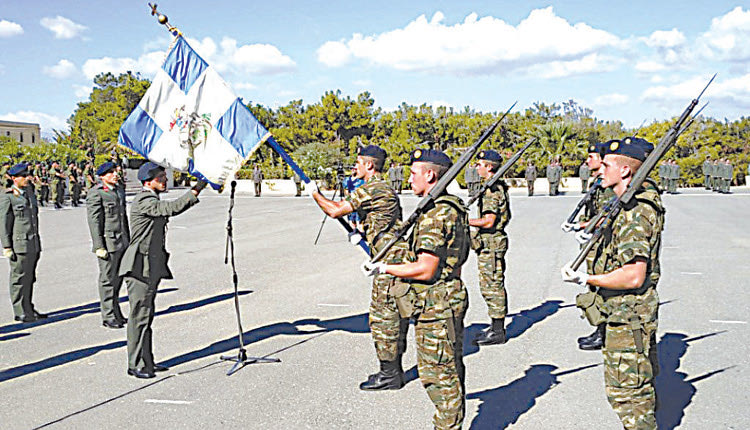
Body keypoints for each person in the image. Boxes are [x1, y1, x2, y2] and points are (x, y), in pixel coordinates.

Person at [363, 148, 470, 430]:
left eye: (413, 173)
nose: (408, 179)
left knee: (439, 376)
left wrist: (384, 268)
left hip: (437, 305)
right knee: (449, 369)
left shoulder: (437, 214)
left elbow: (426, 268)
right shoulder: (448, 207)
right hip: (445, 298)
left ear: (430, 175)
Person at [562, 137, 663, 430]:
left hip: (629, 313)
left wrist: (585, 278)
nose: (599, 170)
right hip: (622, 311)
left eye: (606, 165)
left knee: (629, 396)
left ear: (625, 171)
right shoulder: (622, 203)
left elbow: (634, 274)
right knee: (633, 389)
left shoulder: (635, 211)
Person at [310, 145, 412, 391]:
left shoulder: (373, 187)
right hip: (389, 253)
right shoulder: (380, 187)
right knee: (394, 315)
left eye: (358, 162)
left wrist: (315, 193)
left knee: (383, 316)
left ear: (369, 165)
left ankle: (389, 375)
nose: (354, 166)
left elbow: (335, 211)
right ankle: (393, 370)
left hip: (390, 258)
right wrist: (361, 234)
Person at [118, 162, 205, 378]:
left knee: (146, 316)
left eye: (164, 177)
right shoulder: (143, 200)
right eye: (160, 178)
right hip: (139, 267)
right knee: (139, 316)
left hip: (150, 265)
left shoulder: (152, 198)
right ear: (148, 182)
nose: (165, 181)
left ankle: (147, 360)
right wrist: (198, 187)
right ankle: (136, 363)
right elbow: (171, 209)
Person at [562, 142, 615, 351]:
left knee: (600, 285)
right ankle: (599, 329)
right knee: (594, 286)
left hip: (602, 241)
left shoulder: (610, 185)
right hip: (594, 240)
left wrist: (580, 226)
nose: (587, 161)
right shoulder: (598, 181)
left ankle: (603, 331)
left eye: (591, 156)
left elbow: (605, 215)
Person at [469, 150, 510, 346]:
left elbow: (489, 221)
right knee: (491, 283)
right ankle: (496, 326)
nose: (477, 167)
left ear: (489, 167)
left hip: (491, 243)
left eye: (480, 164)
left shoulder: (492, 190)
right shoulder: (492, 186)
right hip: (491, 243)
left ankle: (498, 330)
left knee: (492, 285)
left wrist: (466, 220)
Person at [0, 163, 47, 322]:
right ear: (14, 178)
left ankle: (28, 307)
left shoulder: (29, 193)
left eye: (27, 175)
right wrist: (6, 246)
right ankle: (19, 310)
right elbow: (4, 223)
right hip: (19, 244)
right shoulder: (8, 197)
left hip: (33, 242)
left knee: (30, 278)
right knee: (19, 278)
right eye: (23, 176)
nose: (27, 178)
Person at [86, 162, 130, 329]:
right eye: (110, 173)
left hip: (121, 241)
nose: (114, 174)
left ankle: (116, 312)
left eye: (115, 171)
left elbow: (122, 218)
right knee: (107, 280)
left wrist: (129, 239)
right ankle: (108, 315)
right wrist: (98, 245)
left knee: (118, 279)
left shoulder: (118, 190)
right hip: (108, 243)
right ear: (102, 176)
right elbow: (94, 221)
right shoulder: (97, 193)